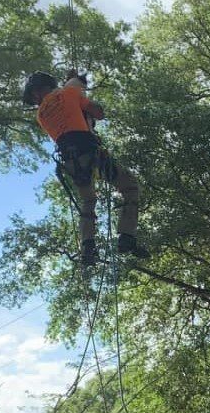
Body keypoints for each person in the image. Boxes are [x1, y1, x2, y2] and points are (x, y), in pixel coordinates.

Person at [24, 70, 149, 266]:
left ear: (39, 90)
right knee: (130, 187)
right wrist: (81, 95)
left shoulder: (41, 114)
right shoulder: (69, 93)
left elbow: (63, 111)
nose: (35, 99)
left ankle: (88, 247)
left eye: (33, 95)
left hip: (71, 162)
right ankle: (127, 236)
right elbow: (98, 113)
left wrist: (73, 90)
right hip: (91, 153)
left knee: (88, 200)